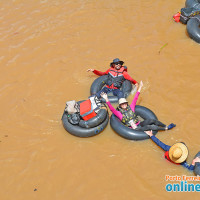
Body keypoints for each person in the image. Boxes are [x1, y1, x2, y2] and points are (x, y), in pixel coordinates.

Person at [101, 80, 176, 131]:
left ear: (126, 103)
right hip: (134, 129)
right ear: (120, 105)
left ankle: (165, 125)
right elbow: (111, 109)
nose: (124, 105)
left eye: (124, 103)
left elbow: (136, 97)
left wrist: (140, 87)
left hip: (139, 123)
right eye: (122, 104)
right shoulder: (119, 114)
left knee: (152, 120)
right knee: (149, 127)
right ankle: (166, 129)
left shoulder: (131, 107)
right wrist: (106, 98)